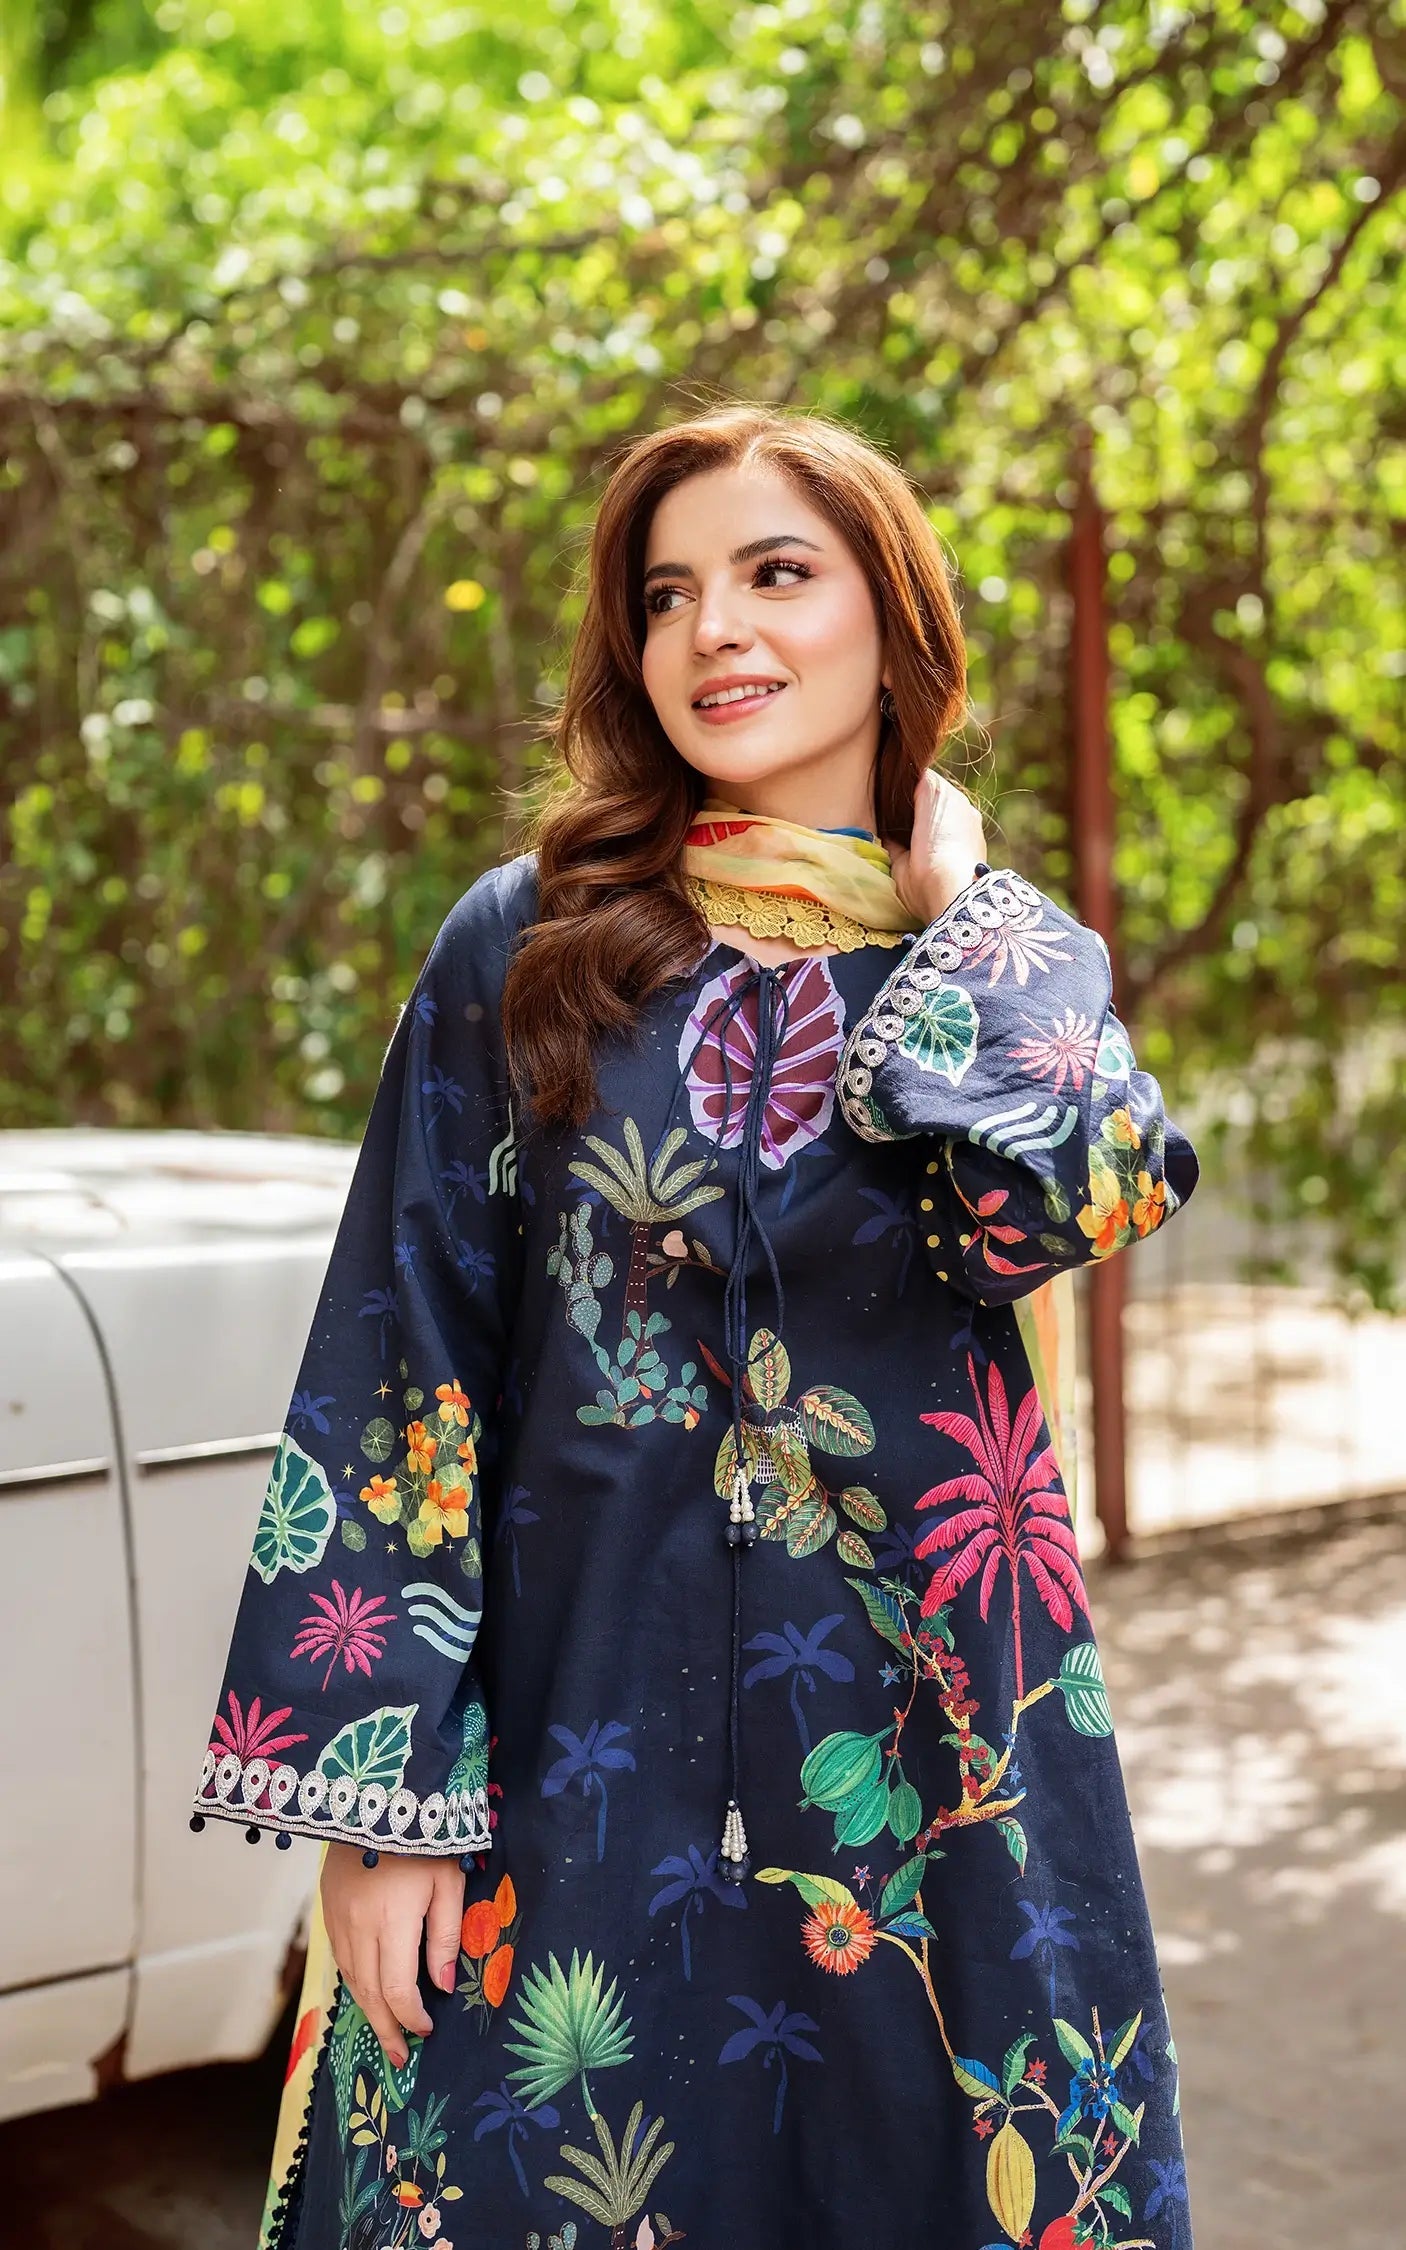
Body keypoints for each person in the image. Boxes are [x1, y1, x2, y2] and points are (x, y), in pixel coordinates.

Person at [192, 404, 1198, 2250]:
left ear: (894, 623)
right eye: (665, 595)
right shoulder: (531, 944)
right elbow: (406, 1369)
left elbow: (1073, 1197)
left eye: (773, 574)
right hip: (575, 1743)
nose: (711, 629)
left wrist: (970, 924)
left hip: (929, 1768)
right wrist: (383, 1807)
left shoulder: (982, 960)